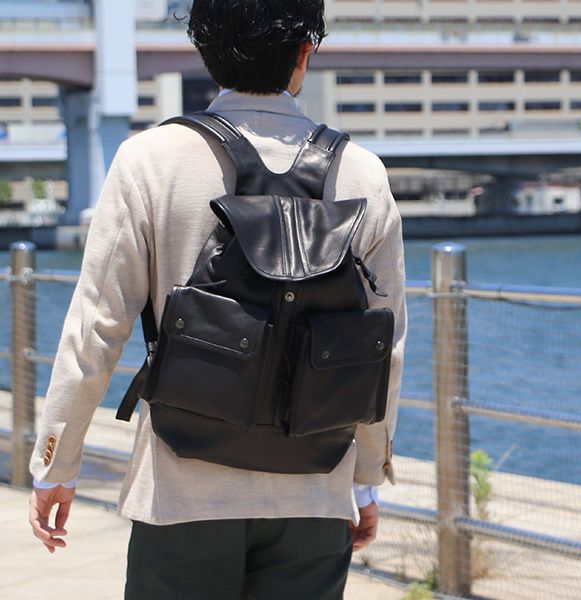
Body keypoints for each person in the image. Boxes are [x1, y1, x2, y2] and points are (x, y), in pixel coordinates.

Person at [28, 1, 407, 597]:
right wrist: (362, 478)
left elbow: (95, 328)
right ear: (304, 53)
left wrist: (58, 461)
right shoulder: (363, 174)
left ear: (205, 51)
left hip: (180, 491)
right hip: (314, 489)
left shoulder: (150, 160)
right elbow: (384, 348)